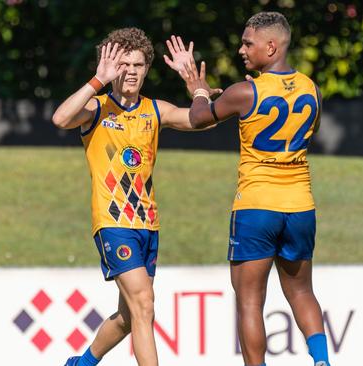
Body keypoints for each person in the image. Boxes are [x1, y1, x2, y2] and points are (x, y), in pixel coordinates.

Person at [170, 11, 331, 366]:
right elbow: (309, 129)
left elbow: (199, 117)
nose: (241, 49)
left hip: (257, 206)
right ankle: (322, 361)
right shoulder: (312, 89)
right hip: (301, 205)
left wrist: (197, 90)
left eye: (248, 43)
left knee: (249, 301)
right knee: (302, 291)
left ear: (271, 46)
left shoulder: (244, 92)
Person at [52, 28, 218, 366]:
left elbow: (204, 121)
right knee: (144, 304)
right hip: (113, 222)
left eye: (138, 64)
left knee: (129, 317)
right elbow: (61, 118)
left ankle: (81, 364)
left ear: (146, 69)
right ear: (110, 67)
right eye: (123, 63)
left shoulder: (156, 110)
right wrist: (97, 80)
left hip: (148, 224)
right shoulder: (97, 109)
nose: (130, 71)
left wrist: (197, 89)